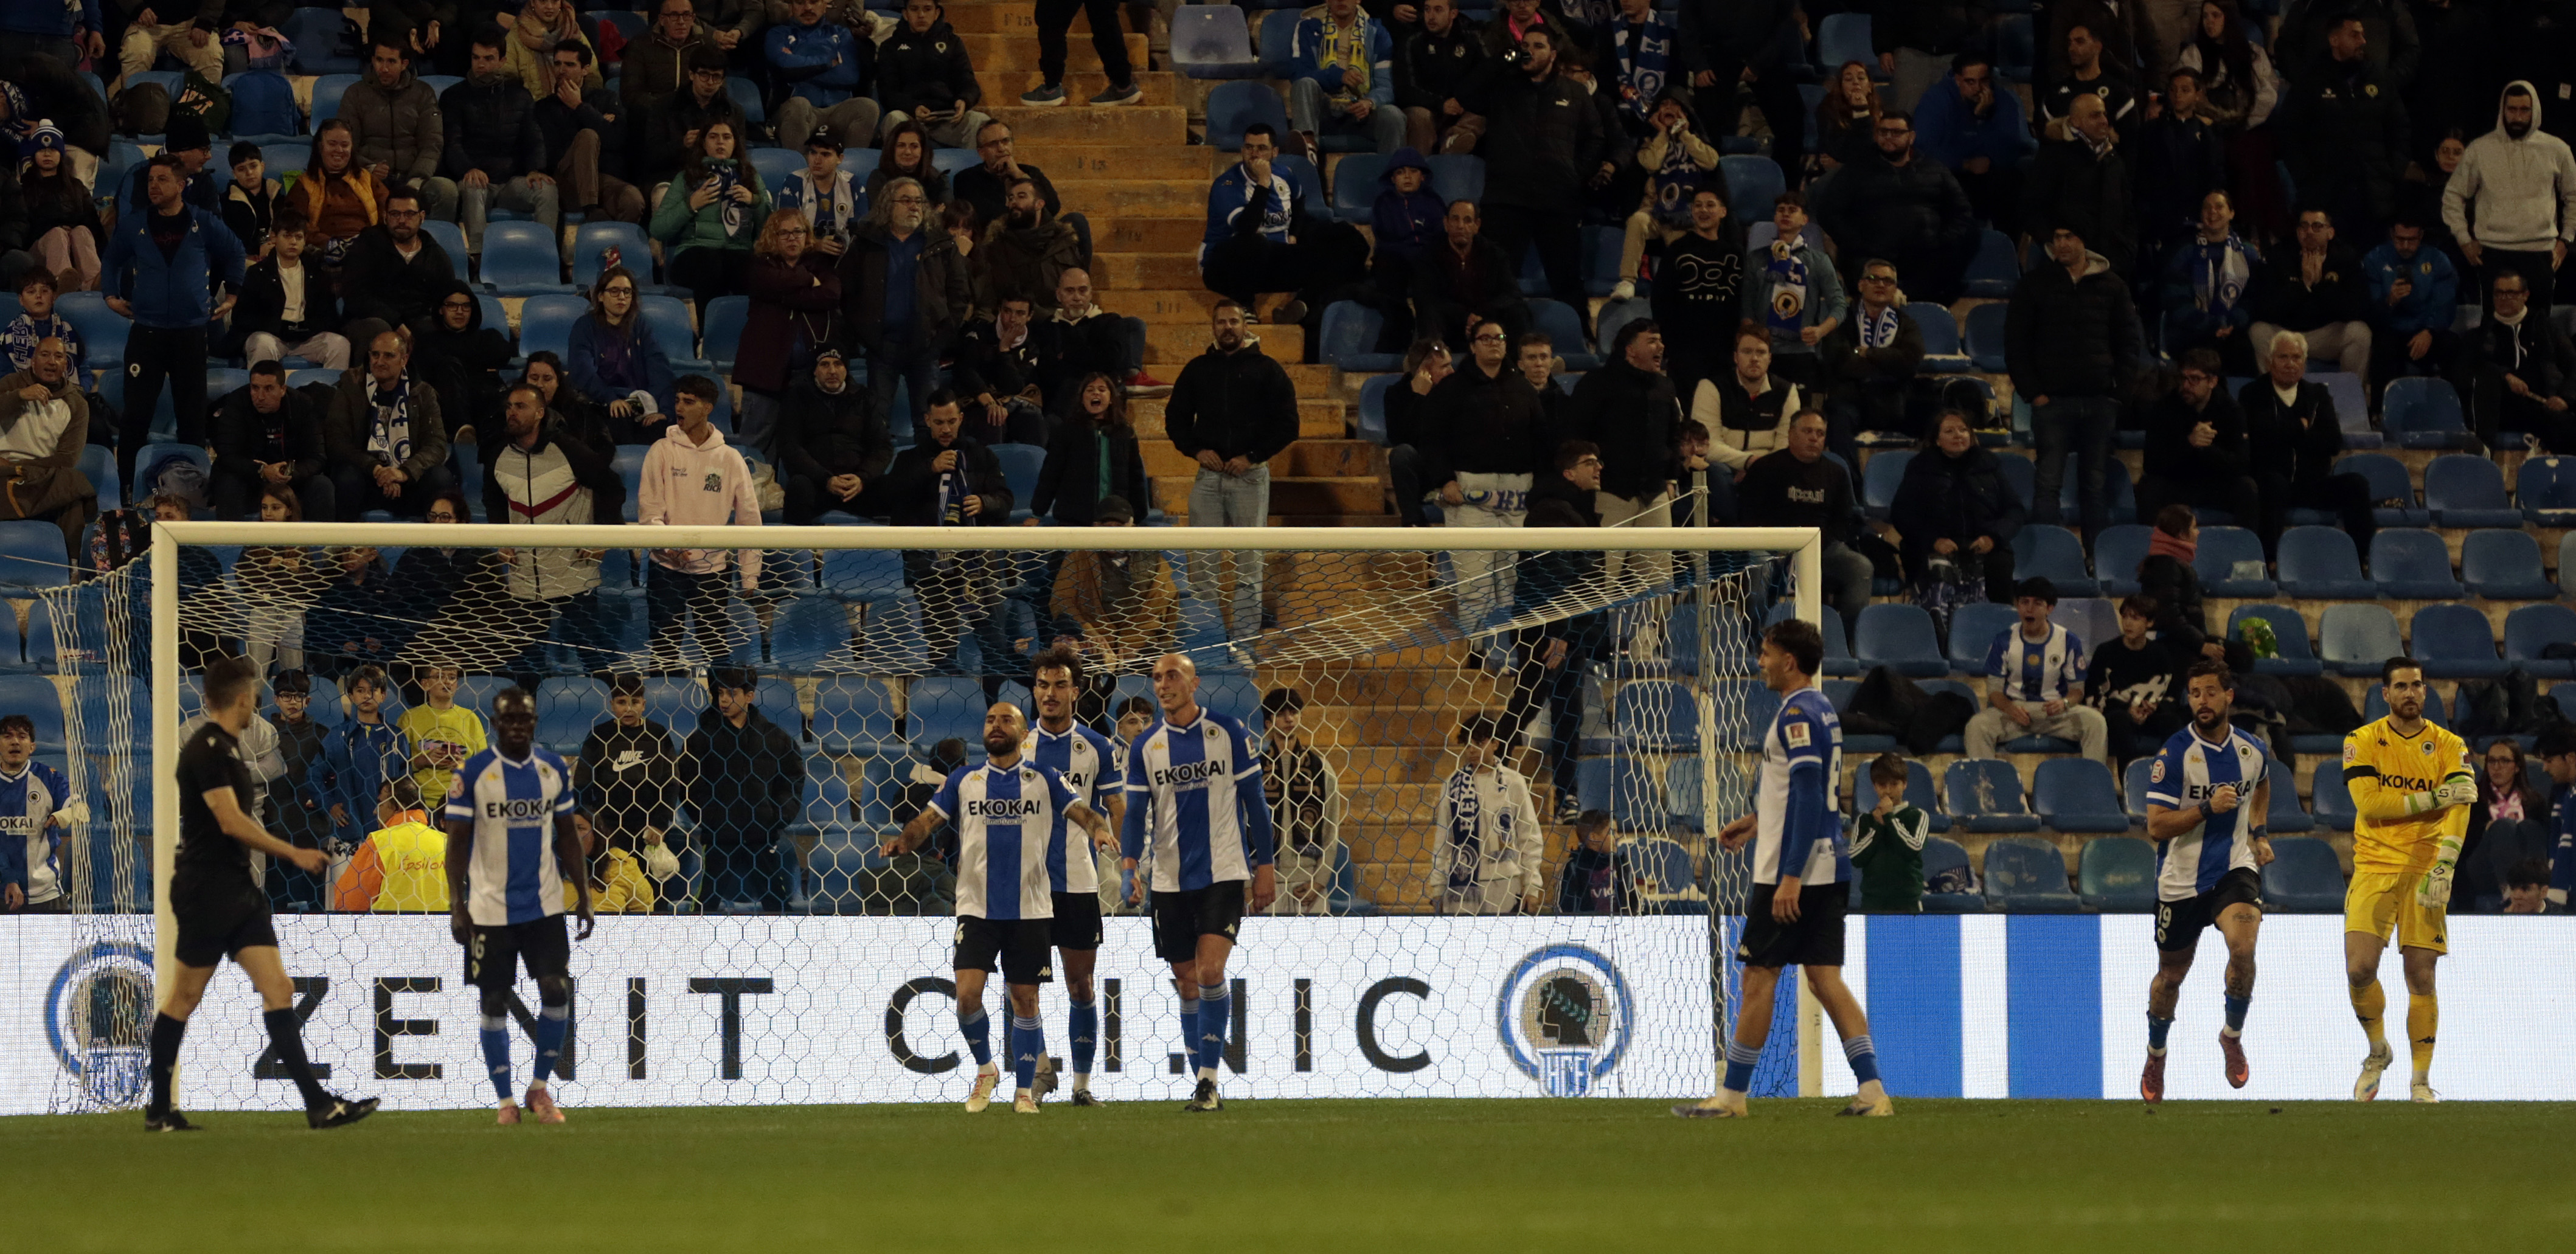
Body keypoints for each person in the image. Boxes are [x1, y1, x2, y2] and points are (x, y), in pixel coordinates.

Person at [143, 656, 378, 1132]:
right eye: (254, 693)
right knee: (183, 999)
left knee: (279, 988)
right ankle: (159, 1110)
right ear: (244, 697)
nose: (258, 702)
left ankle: (318, 1105)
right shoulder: (206, 749)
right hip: (206, 889)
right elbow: (230, 822)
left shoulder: (228, 749)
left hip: (236, 887)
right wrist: (292, 853)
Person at [1677, 618, 1889, 1118]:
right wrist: (1757, 821)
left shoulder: (1797, 714)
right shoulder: (1820, 709)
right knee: (1824, 979)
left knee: (1757, 976)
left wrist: (1789, 875)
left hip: (1794, 874)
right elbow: (1799, 793)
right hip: (1827, 868)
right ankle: (1873, 1091)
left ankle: (1731, 1098)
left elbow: (1812, 794)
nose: (1760, 662)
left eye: (1766, 653)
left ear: (1789, 661)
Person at [887, 700, 1112, 1114]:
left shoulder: (1044, 778)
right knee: (968, 997)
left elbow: (1082, 811)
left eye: (1006, 719)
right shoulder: (964, 780)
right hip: (976, 907)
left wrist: (1098, 829)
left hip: (1030, 908)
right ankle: (986, 1068)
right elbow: (927, 822)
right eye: (990, 718)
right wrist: (906, 840)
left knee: (1025, 1000)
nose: (996, 724)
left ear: (1023, 733)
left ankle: (1024, 1092)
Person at [1119, 653, 1277, 1112]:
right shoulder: (1145, 746)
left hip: (1224, 872)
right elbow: (1134, 818)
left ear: (1193, 681)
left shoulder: (1227, 732)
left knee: (1209, 972)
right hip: (1168, 879)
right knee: (1187, 982)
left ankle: (1208, 1081)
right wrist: (1130, 869)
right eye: (1156, 678)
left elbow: (1255, 803)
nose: (1163, 684)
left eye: (1172, 675)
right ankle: (1201, 1084)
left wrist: (1263, 867)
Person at [439, 687, 590, 1125]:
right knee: (494, 1001)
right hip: (488, 909)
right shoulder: (472, 773)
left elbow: (567, 835)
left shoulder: (553, 768)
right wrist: (456, 903)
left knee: (556, 991)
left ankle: (539, 1089)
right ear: (495, 723)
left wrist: (581, 894)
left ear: (535, 722)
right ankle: (505, 1101)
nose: (518, 727)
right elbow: (457, 843)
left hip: (544, 906)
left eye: (526, 720)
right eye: (509, 721)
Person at [2136, 658, 2274, 1103]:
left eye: (2210, 692)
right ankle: (2156, 1053)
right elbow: (2155, 827)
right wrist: (2206, 809)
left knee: (2243, 948)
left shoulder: (2251, 750)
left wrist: (2257, 832)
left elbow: (2263, 785)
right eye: (2194, 693)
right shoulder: (2174, 754)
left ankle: (2231, 1035)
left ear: (2228, 697)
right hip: (2179, 881)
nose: (2202, 701)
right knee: (2170, 977)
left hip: (2233, 868)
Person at [2338, 656, 2475, 1102]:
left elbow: (2461, 804)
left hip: (2423, 868)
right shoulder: (2361, 741)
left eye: (2417, 685)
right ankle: (2377, 1051)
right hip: (2374, 865)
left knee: (2421, 975)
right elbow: (2371, 803)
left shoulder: (2449, 744)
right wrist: (2432, 796)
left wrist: (2445, 863)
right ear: (2385, 694)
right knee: (2360, 969)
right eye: (2401, 687)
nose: (2411, 693)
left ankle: (2420, 1081)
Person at [1020, 644, 1127, 1102]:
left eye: (1060, 684)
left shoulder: (1095, 747)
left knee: (1080, 983)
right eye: (1042, 685)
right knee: (1023, 986)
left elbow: (1117, 803)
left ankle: (1082, 1086)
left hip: (1079, 880)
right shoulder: (1019, 746)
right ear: (1034, 690)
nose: (1050, 693)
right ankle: (1041, 1071)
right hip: (1028, 884)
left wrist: (1122, 858)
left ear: (1075, 691)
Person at [103, 155, 245, 493]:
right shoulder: (135, 223)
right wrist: (109, 295)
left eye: (163, 179)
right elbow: (111, 259)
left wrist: (233, 296)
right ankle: (127, 492)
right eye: (151, 180)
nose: (154, 186)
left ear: (181, 186)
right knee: (136, 418)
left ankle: (193, 493)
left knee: (192, 420)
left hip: (190, 334)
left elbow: (237, 252)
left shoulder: (203, 222)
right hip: (146, 333)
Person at [1164, 301, 1297, 639]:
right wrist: (1196, 450)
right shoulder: (1197, 369)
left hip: (1250, 477)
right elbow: (1175, 418)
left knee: (1249, 563)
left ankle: (1245, 641)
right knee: (1202, 563)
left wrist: (1251, 457)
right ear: (1213, 327)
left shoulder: (1268, 369)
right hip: (1208, 478)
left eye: (1234, 321)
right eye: (1221, 321)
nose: (1227, 327)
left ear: (1245, 326)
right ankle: (1205, 638)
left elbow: (1288, 424)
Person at [1459, 27, 1607, 330]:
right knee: (1495, 279)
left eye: (1538, 46)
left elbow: (1596, 137)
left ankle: (1579, 337)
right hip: (1507, 198)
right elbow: (1465, 94)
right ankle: (1490, 340)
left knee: (1566, 278)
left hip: (1558, 200)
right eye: (1524, 45)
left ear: (1553, 54)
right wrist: (1503, 60)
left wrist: (1576, 174)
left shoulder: (1575, 92)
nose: (1529, 51)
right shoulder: (1503, 87)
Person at [2005, 224, 2143, 548]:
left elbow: (2129, 343)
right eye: (2057, 238)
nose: (2062, 244)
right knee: (2048, 482)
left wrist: (2117, 394)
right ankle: (2047, 558)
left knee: (2094, 485)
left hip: (2100, 402)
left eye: (2070, 237)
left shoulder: (2113, 286)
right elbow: (2016, 345)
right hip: (2050, 403)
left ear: (2085, 241)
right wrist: (2034, 394)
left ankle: (2096, 558)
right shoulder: (2034, 285)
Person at [1420, 314, 1546, 631]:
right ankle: (1478, 656)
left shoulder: (1523, 388)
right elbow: (1431, 438)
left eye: (1499, 339)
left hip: (1519, 495)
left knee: (1515, 582)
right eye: (1486, 338)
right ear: (1473, 346)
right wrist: (1445, 479)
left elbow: (1542, 439)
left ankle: (1511, 656)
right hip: (1469, 494)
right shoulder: (1451, 389)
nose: (1494, 344)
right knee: (1474, 584)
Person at [482, 381, 617, 670]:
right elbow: (491, 498)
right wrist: (501, 537)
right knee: (525, 665)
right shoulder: (497, 454)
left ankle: (614, 711)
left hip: (572, 571)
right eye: (509, 407)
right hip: (524, 578)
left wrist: (601, 537)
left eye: (521, 406)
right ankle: (525, 716)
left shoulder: (567, 449)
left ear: (541, 413)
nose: (512, 413)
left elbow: (611, 486)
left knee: (595, 658)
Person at [881, 390, 1013, 669]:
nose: (946, 429)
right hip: (928, 559)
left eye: (951, 421)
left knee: (991, 621)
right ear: (928, 420)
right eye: (939, 422)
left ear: (961, 419)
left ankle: (997, 662)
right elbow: (889, 497)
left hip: (973, 556)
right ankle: (944, 667)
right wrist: (930, 468)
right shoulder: (909, 459)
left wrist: (985, 502)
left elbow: (1006, 501)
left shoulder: (982, 456)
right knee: (936, 594)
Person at [640, 376, 762, 669]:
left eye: (689, 402)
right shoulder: (661, 450)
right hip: (666, 570)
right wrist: (669, 546)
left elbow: (749, 519)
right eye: (678, 400)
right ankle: (661, 711)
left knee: (717, 652)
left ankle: (719, 713)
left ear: (707, 408)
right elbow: (649, 512)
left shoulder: (730, 459)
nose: (679, 407)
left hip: (713, 572)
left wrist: (750, 574)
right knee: (663, 654)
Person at [839, 176, 971, 442]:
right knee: (877, 424)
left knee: (929, 425)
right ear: (889, 205)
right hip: (882, 346)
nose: (914, 206)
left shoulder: (941, 243)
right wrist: (865, 335)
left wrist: (941, 338)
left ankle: (930, 480)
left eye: (919, 201)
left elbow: (960, 295)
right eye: (906, 200)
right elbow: (847, 292)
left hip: (926, 346)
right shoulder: (867, 242)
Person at [2442, 81, 2575, 318]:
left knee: (2538, 327)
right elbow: (2453, 195)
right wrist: (2464, 239)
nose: (2518, 116)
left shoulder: (2557, 150)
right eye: (2512, 109)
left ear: (2535, 111)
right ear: (2502, 110)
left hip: (2540, 252)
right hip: (2493, 252)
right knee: (2494, 331)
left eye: (2524, 110)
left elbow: (2574, 195)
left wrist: (2566, 240)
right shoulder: (2480, 149)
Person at [1738, 410, 1869, 643]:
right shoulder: (1766, 468)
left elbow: (1845, 520)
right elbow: (1747, 515)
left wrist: (1817, 544)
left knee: (1860, 568)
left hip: (1821, 546)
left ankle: (1847, 640)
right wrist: (1779, 545)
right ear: (1791, 435)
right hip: (1771, 548)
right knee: (1758, 570)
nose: (1814, 438)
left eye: (1820, 434)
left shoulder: (1837, 473)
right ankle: (1755, 642)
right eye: (1807, 431)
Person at [2244, 329, 2376, 559]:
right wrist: (2299, 428)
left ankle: (2364, 559)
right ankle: (2268, 561)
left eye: (2296, 358)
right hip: (2272, 483)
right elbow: (2258, 439)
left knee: (2357, 484)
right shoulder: (2252, 394)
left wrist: (2287, 434)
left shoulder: (2317, 395)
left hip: (2312, 483)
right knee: (2273, 485)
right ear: (2269, 361)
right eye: (2283, 357)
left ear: (2304, 363)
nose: (2290, 364)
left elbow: (2333, 442)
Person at [2274, 17, 2409, 239]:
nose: (2363, 41)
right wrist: (2307, 180)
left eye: (2363, 34)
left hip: (2374, 197)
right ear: (2334, 39)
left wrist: (2392, 174)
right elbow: (2290, 134)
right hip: (2328, 198)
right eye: (2354, 35)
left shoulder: (2379, 78)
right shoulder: (2311, 82)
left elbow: (2400, 129)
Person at [684, 667, 805, 912]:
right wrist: (710, 819)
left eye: (732, 693)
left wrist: (775, 818)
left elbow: (791, 781)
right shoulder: (701, 739)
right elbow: (688, 785)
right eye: (720, 693)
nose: (725, 700)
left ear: (749, 696)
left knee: (779, 907)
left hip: (761, 837)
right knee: (703, 907)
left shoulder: (776, 738)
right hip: (720, 838)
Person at [441, 32, 563, 257]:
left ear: (503, 61)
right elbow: (452, 143)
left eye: (488, 59)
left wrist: (536, 169)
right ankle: (479, 257)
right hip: (475, 179)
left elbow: (533, 138)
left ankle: (545, 256)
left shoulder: (520, 96)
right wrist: (468, 168)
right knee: (473, 186)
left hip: (510, 182)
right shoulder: (454, 96)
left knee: (546, 190)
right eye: (476, 58)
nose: (481, 64)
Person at [1967, 578, 2110, 768]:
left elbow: (2078, 690)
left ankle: (2093, 788)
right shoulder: (2004, 640)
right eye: (2024, 602)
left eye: (2038, 603)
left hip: (2055, 714)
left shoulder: (2068, 641)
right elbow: (1994, 690)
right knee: (1977, 726)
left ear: (2050, 608)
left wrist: (2064, 703)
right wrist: (2010, 709)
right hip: (2015, 711)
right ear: (2017, 605)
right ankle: (1987, 789)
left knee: (2096, 723)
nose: (2029, 609)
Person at [733, 209, 842, 458]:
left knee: (805, 451)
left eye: (798, 232)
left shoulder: (822, 265)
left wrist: (787, 296)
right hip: (763, 375)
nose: (792, 238)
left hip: (807, 378)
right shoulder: (760, 266)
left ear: (807, 236)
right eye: (784, 233)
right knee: (756, 451)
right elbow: (771, 283)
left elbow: (831, 295)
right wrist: (807, 280)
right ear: (773, 237)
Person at [1890, 408, 2021, 612]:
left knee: (2000, 565)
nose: (1958, 435)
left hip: (1984, 545)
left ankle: (1994, 632)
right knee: (1934, 567)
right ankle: (1939, 636)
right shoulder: (1920, 467)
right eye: (1950, 431)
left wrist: (1993, 538)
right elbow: (1902, 514)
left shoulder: (1989, 464)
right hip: (1936, 545)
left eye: (1963, 430)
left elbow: (2014, 510)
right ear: (1937, 440)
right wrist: (1933, 540)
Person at [1199, 125, 1331, 327]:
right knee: (1255, 242)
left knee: (1338, 237)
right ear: (1242, 150)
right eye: (1249, 148)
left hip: (1267, 263)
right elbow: (1246, 228)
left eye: (1261, 148)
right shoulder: (1227, 185)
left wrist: (1294, 234)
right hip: (1224, 268)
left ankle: (1299, 305)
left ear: (1275, 152)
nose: (1254, 154)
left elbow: (1299, 201)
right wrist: (1263, 182)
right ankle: (1245, 306)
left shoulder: (1285, 174)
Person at [574, 673, 685, 896]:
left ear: (644, 704)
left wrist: (660, 824)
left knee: (651, 893)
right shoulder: (599, 736)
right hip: (609, 829)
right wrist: (595, 827)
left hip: (648, 830)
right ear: (611, 704)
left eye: (634, 702)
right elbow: (582, 786)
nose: (629, 709)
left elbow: (671, 783)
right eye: (622, 702)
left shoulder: (657, 734)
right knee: (614, 890)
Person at [651, 117, 769, 322]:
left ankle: (747, 339)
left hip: (737, 251)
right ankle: (707, 338)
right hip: (694, 253)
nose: (720, 142)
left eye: (727, 137)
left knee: (752, 269)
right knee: (711, 264)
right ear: (704, 143)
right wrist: (690, 205)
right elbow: (658, 229)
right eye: (713, 137)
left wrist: (755, 201)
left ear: (735, 143)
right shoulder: (687, 178)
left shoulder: (750, 177)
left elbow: (768, 231)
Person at [324, 332, 454, 519]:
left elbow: (436, 445)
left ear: (404, 359)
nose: (380, 361)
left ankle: (430, 547)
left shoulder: (423, 393)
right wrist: (376, 468)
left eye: (389, 356)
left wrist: (404, 472)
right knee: (346, 476)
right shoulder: (351, 387)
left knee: (440, 477)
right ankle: (347, 546)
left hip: (408, 481)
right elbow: (337, 442)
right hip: (366, 477)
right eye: (375, 355)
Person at [1673, 0, 1804, 185]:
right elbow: (1687, 22)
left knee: (1793, 117)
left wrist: (1759, 63)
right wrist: (1698, 65)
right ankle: (1709, 192)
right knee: (1705, 127)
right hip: (1714, 58)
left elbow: (1785, 21)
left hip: (1765, 54)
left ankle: (1786, 191)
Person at [1046, 494, 1179, 667]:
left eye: (1120, 527)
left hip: (1143, 647)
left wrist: (1135, 642)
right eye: (1107, 527)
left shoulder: (1154, 561)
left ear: (1133, 527)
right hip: (1092, 648)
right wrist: (1087, 632)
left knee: (1168, 662)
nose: (1114, 533)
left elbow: (1168, 604)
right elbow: (1061, 601)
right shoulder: (1078, 558)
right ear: (1095, 527)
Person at [2136, 348, 2262, 528]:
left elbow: (2242, 464)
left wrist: (2206, 449)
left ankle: (2248, 552)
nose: (2186, 386)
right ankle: (2151, 551)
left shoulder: (2231, 410)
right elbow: (2152, 464)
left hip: (2215, 484)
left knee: (2247, 487)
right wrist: (2190, 443)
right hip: (2178, 483)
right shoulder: (2164, 408)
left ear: (2212, 381)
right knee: (2149, 487)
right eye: (2182, 378)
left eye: (2194, 379)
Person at [1430, 712, 1541, 915]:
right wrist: (1438, 888)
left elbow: (1529, 836)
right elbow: (1443, 840)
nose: (1472, 750)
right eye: (1468, 744)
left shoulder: (1514, 782)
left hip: (1506, 884)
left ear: (1495, 744)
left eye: (1479, 743)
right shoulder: (1452, 785)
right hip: (1461, 887)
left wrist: (1532, 886)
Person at [1913, 51, 2033, 237]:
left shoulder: (2004, 100)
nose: (1978, 88)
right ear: (1957, 79)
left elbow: (2009, 151)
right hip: (1949, 174)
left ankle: (2009, 252)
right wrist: (1965, 164)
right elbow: (1923, 150)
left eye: (1983, 81)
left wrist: (1982, 118)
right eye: (1970, 82)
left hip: (1989, 176)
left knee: (2010, 180)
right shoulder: (1935, 100)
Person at [2249, 207, 2373, 388]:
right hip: (2287, 333)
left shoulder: (2346, 258)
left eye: (2317, 227)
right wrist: (2303, 285)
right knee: (2258, 330)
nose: (2309, 232)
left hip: (2326, 336)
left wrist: (2320, 285)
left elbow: (2355, 309)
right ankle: (2274, 398)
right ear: (2298, 232)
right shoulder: (2279, 256)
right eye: (2304, 227)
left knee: (2360, 332)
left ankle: (2350, 400)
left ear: (2330, 232)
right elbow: (2266, 309)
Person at [2458, 269, 2576, 451]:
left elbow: (2573, 367)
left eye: (2511, 293)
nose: (2504, 298)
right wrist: (2505, 376)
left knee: (2567, 425)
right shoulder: (2478, 335)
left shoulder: (2546, 328)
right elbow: (2463, 372)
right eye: (2499, 293)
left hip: (2540, 404)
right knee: (2488, 372)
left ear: (2525, 295)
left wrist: (2565, 399)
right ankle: (2484, 450)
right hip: (2499, 410)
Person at [1692, 324, 1799, 523]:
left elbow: (1787, 446)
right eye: (1747, 352)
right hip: (1726, 470)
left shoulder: (1787, 391)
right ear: (1735, 357)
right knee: (1715, 472)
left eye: (1761, 352)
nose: (1755, 358)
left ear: (1770, 358)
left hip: (1769, 471)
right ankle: (1744, 532)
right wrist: (1748, 461)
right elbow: (1707, 446)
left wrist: (1759, 468)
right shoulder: (1711, 387)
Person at [0, 336, 94, 556]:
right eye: (45, 355)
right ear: (33, 361)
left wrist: (23, 466)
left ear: (65, 366)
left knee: (72, 490)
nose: (51, 361)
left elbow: (67, 459)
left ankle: (72, 569)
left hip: (41, 477)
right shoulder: (11, 384)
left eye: (58, 356)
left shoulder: (77, 404)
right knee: (74, 484)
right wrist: (19, 396)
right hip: (3, 475)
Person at [1740, 192, 1843, 392]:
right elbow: (1747, 307)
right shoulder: (1757, 259)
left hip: (1801, 350)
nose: (1785, 214)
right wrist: (1754, 343)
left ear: (1805, 220)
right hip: (1764, 351)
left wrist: (1820, 331)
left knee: (1799, 415)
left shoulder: (1819, 261)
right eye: (1781, 210)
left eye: (1792, 210)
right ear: (1775, 218)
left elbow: (1839, 305)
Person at [535, 41, 645, 227]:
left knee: (633, 201)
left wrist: (580, 108)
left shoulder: (606, 99)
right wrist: (599, 121)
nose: (562, 70)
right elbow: (551, 154)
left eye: (570, 65)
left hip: (602, 180)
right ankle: (590, 211)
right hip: (565, 184)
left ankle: (612, 251)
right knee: (588, 136)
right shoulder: (543, 108)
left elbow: (617, 140)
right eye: (558, 63)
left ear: (585, 69)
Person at [2028, 92, 2137, 279]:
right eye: (2095, 115)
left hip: (2112, 267)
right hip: (2066, 270)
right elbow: (2033, 208)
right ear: (2076, 122)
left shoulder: (2114, 160)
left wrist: (2125, 250)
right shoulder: (2053, 156)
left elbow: (2128, 211)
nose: (2104, 121)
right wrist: (2059, 249)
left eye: (2104, 114)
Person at [1819, 258, 1922, 455]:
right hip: (1851, 400)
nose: (1881, 284)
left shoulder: (1907, 324)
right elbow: (1841, 362)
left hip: (1893, 401)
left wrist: (1868, 353)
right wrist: (1889, 363)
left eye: (1888, 281)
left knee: (1936, 418)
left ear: (1895, 289)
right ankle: (1851, 483)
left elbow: (1910, 362)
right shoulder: (1842, 320)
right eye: (1874, 278)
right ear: (1861, 285)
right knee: (1836, 418)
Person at [210, 361, 334, 524]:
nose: (260, 396)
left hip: (290, 482)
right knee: (229, 482)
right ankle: (230, 547)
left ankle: (320, 547)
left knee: (322, 485)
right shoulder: (236, 403)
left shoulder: (302, 405)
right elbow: (228, 455)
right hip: (251, 480)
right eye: (255, 388)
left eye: (269, 389)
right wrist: (262, 471)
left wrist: (288, 472)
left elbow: (317, 457)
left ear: (282, 390)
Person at [345, 41, 456, 222]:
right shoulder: (355, 94)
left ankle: (434, 246)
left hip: (413, 177)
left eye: (391, 62)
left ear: (404, 64)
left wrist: (416, 180)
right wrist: (369, 167)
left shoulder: (423, 93)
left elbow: (432, 143)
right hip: (372, 177)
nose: (384, 68)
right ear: (372, 60)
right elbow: (347, 144)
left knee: (446, 190)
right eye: (379, 60)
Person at [568, 266, 679, 443]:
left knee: (662, 430)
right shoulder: (585, 326)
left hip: (639, 403)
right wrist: (610, 399)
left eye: (627, 292)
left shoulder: (640, 324)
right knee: (620, 420)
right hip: (601, 402)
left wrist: (663, 412)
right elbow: (583, 371)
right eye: (614, 291)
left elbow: (659, 369)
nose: (622, 297)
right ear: (600, 296)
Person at [779, 347, 889, 523]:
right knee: (798, 485)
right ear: (815, 370)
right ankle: (796, 550)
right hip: (817, 485)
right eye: (825, 365)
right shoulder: (797, 397)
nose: (832, 371)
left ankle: (901, 549)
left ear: (846, 369)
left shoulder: (865, 398)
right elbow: (790, 447)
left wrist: (862, 478)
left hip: (856, 487)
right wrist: (826, 479)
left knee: (893, 486)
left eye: (838, 364)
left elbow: (882, 447)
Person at [2159, 190, 2265, 374]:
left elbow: (2252, 299)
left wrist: (2230, 323)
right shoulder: (2184, 251)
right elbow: (2176, 301)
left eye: (2219, 207)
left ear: (2231, 213)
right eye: (2207, 208)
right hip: (2192, 330)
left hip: (2233, 331)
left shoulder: (2247, 252)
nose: (2212, 212)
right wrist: (2212, 325)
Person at [339, 187, 456, 348]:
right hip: (367, 321)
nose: (402, 220)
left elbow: (446, 297)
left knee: (435, 329)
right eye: (395, 214)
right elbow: (355, 296)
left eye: (409, 214)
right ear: (385, 217)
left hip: (417, 322)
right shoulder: (367, 245)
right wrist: (397, 323)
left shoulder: (435, 255)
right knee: (381, 331)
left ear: (421, 217)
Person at [1287, 0, 1404, 158]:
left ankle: (1389, 173)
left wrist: (1369, 102)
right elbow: (1299, 73)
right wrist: (1339, 76)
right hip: (1323, 110)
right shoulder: (1308, 27)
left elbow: (1386, 86)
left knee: (1393, 115)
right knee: (1304, 84)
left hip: (1361, 113)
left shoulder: (1377, 32)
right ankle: (1308, 150)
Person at [234, 213, 349, 373]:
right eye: (287, 236)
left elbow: (328, 315)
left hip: (308, 337)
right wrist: (279, 327)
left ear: (305, 240)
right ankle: (262, 394)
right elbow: (242, 317)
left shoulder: (316, 272)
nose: (293, 242)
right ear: (274, 237)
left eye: (299, 237)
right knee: (261, 344)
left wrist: (306, 329)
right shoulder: (258, 273)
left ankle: (332, 395)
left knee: (340, 345)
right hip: (272, 335)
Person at [1411, 199, 1529, 353]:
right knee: (1429, 312)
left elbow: (1512, 294)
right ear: (1446, 223)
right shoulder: (1429, 256)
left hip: (1488, 323)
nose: (1461, 226)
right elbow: (1426, 297)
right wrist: (1466, 317)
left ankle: (1524, 362)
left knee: (1518, 311)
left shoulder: (1494, 255)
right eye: (1455, 219)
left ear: (1477, 226)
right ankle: (1430, 362)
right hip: (1452, 326)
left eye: (1467, 221)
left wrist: (1481, 315)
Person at [1030, 372, 1147, 525]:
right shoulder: (1066, 432)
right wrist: (1037, 514)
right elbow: (1050, 475)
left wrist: (1138, 517)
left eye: (1102, 389)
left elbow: (1136, 477)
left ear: (1112, 398)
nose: (1096, 393)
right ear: (1082, 398)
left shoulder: (1125, 433)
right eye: (1090, 390)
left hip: (1115, 521)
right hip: (1074, 520)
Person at [2086, 595, 2189, 766]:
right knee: (2120, 721)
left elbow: (2173, 693)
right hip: (2116, 715)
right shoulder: (2106, 651)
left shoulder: (2161, 654)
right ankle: (2130, 781)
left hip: (2150, 713)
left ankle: (2169, 778)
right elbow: (2093, 693)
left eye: (2135, 618)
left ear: (2149, 623)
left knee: (2173, 722)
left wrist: (2155, 708)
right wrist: (2128, 709)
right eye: (2125, 617)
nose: (2127, 623)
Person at [2361, 216, 2460, 389]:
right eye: (2400, 239)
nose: (2406, 246)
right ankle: (2379, 411)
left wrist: (2430, 331)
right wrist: (2390, 301)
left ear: (2421, 236)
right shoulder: (2375, 259)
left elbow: (2446, 303)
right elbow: (2369, 311)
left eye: (2411, 240)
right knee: (2383, 347)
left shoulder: (2437, 260)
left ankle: (2453, 408)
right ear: (2392, 234)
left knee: (2452, 344)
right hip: (2391, 330)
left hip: (2425, 331)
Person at [414, 280, 515, 448]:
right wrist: (476, 358)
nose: (460, 311)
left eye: (466, 306)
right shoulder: (427, 340)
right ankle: (462, 429)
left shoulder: (487, 336)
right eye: (453, 306)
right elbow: (428, 366)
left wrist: (459, 354)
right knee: (450, 366)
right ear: (441, 309)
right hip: (446, 407)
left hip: (481, 401)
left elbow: (503, 354)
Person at [319, 665, 407, 853]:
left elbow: (406, 780)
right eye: (361, 690)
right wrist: (329, 805)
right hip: (349, 832)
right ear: (351, 695)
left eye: (373, 690)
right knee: (348, 883)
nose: (367, 696)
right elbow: (314, 774)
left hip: (389, 830)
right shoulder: (337, 736)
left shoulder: (396, 737)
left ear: (383, 695)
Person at [878, 0, 991, 144]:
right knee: (893, 119)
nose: (921, 15)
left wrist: (964, 100)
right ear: (905, 14)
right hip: (910, 118)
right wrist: (913, 108)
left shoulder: (953, 42)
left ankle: (976, 167)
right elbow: (887, 92)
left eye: (927, 9)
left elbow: (968, 82)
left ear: (937, 13)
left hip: (949, 118)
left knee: (981, 121)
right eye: (914, 10)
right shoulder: (890, 47)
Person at [329, 777, 448, 911]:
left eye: (380, 803)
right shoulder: (446, 843)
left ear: (398, 807)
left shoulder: (380, 842)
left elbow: (349, 903)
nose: (375, 811)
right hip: (441, 929)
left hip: (389, 929)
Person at [0, 713, 78, 913]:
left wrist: (64, 815)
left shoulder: (49, 778)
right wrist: (9, 878)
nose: (15, 741)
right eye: (8, 736)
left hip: (46, 893)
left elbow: (80, 809)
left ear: (32, 747)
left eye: (22, 736)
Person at [2465, 740, 2549, 911]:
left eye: (2504, 761)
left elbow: (2546, 841)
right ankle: (2509, 893)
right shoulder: (2473, 798)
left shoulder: (2535, 801)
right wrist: (2486, 830)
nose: (2497, 767)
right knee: (2503, 826)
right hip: (2485, 870)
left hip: (2525, 867)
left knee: (2530, 826)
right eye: (2492, 761)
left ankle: (2536, 891)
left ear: (2517, 767)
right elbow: (2465, 846)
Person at [979, 177, 1083, 315]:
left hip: (1066, 321)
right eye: (1011, 198)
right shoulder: (999, 245)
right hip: (1022, 322)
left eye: (1021, 197)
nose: (1013, 202)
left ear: (1039, 204)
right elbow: (1004, 294)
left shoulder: (1064, 241)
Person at [1394, 0, 1486, 154]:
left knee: (1483, 112)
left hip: (1461, 110)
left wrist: (1462, 101)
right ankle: (1419, 168)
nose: (1431, 16)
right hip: (1429, 109)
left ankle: (1454, 142)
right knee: (1419, 116)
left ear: (1453, 14)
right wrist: (1441, 104)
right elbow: (1405, 90)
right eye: (1427, 10)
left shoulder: (1471, 40)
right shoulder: (1412, 41)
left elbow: (1484, 77)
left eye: (1438, 10)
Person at [20, 124, 103, 292]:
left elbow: (92, 223)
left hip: (72, 244)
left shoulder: (76, 187)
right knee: (57, 234)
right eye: (42, 150)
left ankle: (94, 283)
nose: (47, 154)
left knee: (82, 231)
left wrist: (71, 229)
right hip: (40, 249)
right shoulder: (25, 187)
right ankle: (60, 284)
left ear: (61, 154)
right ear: (34, 155)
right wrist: (55, 228)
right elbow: (23, 226)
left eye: (53, 150)